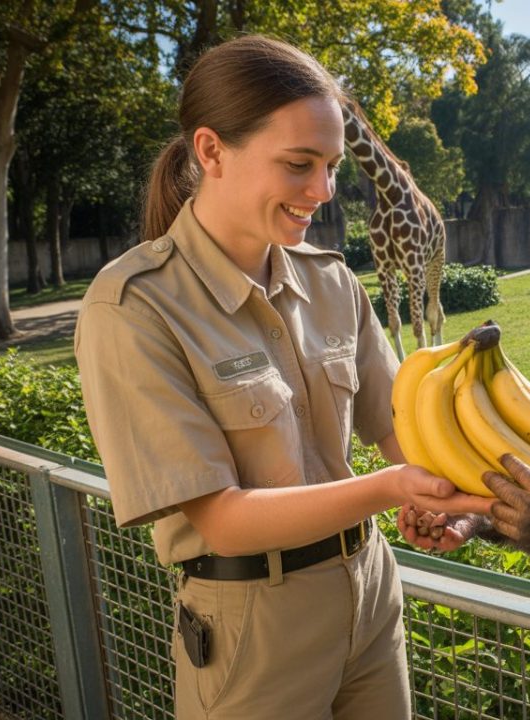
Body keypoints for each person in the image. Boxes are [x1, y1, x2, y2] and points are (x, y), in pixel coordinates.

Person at [74, 35, 493, 720]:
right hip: (252, 630)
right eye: (300, 164)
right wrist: (392, 489)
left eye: (330, 166)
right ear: (211, 151)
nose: (323, 192)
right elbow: (227, 521)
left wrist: (460, 497)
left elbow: (403, 434)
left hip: (371, 596)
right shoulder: (132, 307)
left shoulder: (333, 282)